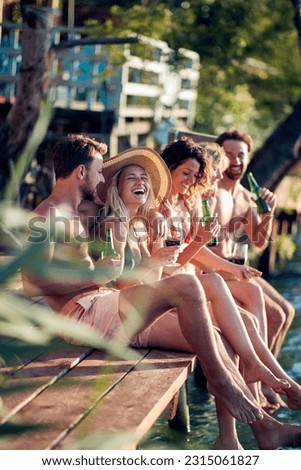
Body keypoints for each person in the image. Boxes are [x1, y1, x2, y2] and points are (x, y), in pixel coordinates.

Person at [21, 134, 301, 450]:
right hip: (83, 316)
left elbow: (118, 229)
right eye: (99, 170)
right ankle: (221, 382)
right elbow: (33, 283)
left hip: (105, 306)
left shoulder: (80, 211)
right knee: (187, 284)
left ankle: (252, 433)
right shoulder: (48, 215)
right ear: (81, 173)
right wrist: (100, 274)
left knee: (221, 335)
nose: (102, 177)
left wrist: (148, 224)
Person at [214, 128, 295, 359]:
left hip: (237, 269)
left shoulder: (245, 197)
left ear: (248, 158)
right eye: (229, 154)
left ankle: (266, 378)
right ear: (220, 156)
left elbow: (259, 242)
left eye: (241, 155)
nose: (235, 160)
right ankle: (257, 379)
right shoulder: (213, 192)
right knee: (275, 315)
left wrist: (269, 213)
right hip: (217, 271)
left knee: (286, 312)